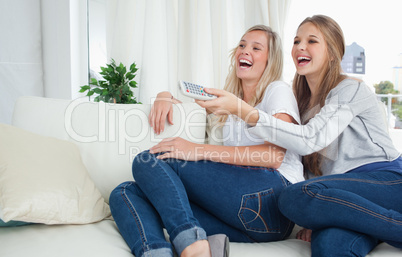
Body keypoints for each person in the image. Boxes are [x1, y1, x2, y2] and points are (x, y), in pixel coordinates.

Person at [200, 15, 402, 257]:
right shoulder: (300, 103)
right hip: (343, 198)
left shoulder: (350, 90)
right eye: (296, 41)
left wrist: (243, 111)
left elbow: (309, 140)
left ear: (332, 53)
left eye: (312, 41)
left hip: (385, 181)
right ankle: (379, 225)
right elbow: (303, 163)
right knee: (329, 247)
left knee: (294, 196)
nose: (300, 47)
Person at [109, 25, 304, 257]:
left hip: (274, 199)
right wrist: (165, 96)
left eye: (255, 48)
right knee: (125, 193)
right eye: (241, 45)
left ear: (270, 60)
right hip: (251, 226)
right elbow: (190, 110)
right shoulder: (227, 104)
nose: (245, 51)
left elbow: (273, 156)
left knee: (147, 161)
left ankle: (193, 246)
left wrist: (196, 150)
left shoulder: (277, 90)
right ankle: (157, 253)